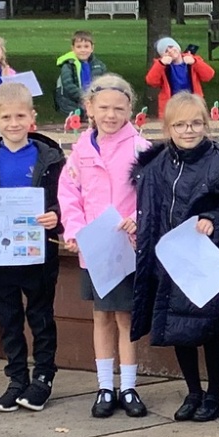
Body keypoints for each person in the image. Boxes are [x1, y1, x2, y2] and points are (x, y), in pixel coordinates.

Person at [130, 91, 219, 422]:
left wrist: (215, 219)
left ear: (206, 124)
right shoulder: (157, 166)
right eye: (180, 125)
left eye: (196, 123)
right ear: (168, 128)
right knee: (178, 330)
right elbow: (148, 208)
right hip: (170, 261)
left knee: (207, 330)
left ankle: (215, 393)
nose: (189, 130)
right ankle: (193, 392)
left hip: (205, 260)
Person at [0, 85, 64, 409]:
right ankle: (17, 378)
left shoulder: (50, 160)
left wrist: (56, 216)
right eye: (6, 117)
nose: (14, 123)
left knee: (41, 318)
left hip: (38, 255)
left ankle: (43, 377)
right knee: (9, 321)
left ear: (32, 116)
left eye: (20, 116)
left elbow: (67, 200)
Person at [59, 72, 152, 417]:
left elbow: (150, 195)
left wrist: (138, 220)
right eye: (104, 108)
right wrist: (75, 230)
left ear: (130, 110)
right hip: (94, 247)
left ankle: (128, 386)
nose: (111, 115)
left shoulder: (141, 149)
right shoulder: (81, 150)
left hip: (125, 246)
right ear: (89, 108)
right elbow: (69, 193)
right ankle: (104, 387)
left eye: (119, 108)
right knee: (101, 316)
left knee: (125, 317)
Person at [146, 36, 217, 117]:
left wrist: (195, 62)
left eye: (171, 47)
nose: (170, 51)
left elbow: (209, 75)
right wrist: (160, 64)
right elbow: (151, 81)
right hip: (172, 105)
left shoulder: (192, 60)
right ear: (163, 56)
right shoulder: (162, 66)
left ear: (177, 46)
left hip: (193, 102)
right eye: (166, 51)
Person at [54, 30, 107, 118]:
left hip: (93, 99)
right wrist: (84, 97)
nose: (83, 50)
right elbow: (68, 85)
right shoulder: (68, 65)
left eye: (86, 46)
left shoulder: (99, 65)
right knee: (78, 116)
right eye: (79, 47)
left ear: (92, 48)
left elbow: (104, 83)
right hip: (71, 101)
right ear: (73, 48)